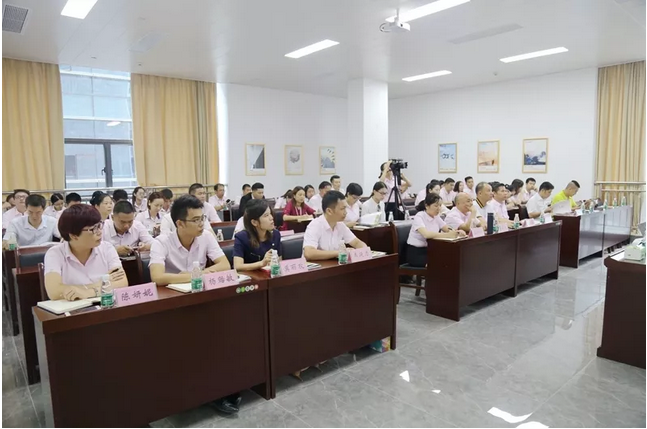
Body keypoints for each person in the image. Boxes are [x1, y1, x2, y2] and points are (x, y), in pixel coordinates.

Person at [43, 204, 128, 301]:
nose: (99, 232)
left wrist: (89, 292)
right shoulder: (55, 254)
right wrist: (100, 284)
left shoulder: (107, 248)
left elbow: (122, 282)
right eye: (93, 229)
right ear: (74, 236)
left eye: (99, 226)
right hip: (73, 308)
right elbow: (54, 291)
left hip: (105, 306)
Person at [303, 191, 366, 260]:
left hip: (333, 264)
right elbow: (309, 253)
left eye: (346, 208)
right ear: (329, 211)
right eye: (342, 209)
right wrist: (340, 252)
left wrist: (364, 250)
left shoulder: (340, 225)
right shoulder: (315, 225)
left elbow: (357, 242)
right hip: (316, 266)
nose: (345, 212)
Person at [406, 193, 465, 267]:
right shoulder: (419, 216)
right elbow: (426, 235)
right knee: (438, 263)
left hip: (430, 250)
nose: (439, 208)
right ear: (427, 206)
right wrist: (447, 235)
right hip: (416, 253)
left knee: (450, 259)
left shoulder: (436, 217)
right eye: (436, 206)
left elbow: (447, 228)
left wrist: (457, 232)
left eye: (440, 205)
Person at [233, 199, 282, 271]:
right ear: (254, 222)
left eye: (270, 213)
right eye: (266, 215)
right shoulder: (242, 237)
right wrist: (261, 263)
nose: (271, 218)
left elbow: (279, 261)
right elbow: (237, 266)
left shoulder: (276, 234)